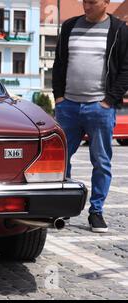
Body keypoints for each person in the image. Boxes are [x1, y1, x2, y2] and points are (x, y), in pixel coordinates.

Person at [52, 0, 128, 233]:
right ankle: (64, 206)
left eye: (92, 2)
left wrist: (109, 101)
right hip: (69, 107)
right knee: (60, 158)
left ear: (106, 3)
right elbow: (59, 63)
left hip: (99, 108)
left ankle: (96, 212)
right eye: (84, 1)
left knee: (101, 162)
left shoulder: (119, 30)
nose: (86, 6)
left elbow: (126, 69)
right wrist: (59, 97)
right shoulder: (70, 26)